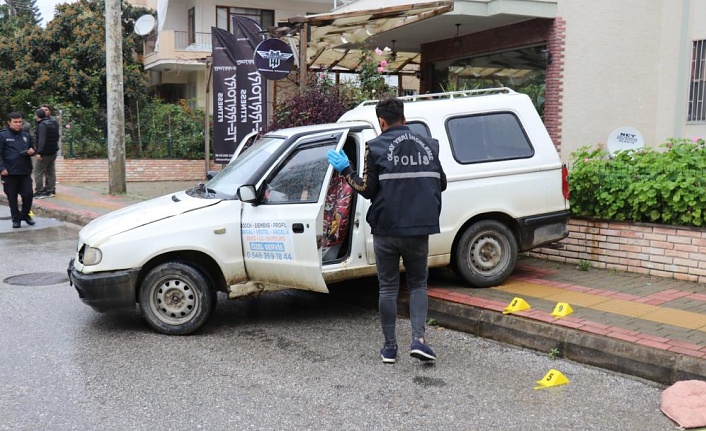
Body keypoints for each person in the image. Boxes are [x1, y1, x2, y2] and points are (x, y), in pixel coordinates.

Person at [327, 96, 447, 364]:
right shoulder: (430, 145)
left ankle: (390, 349)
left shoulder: (376, 146)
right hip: (418, 229)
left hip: (386, 231)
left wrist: (345, 169)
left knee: (388, 289)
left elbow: (366, 190)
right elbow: (443, 183)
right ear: (404, 119)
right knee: (418, 285)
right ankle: (419, 341)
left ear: (381, 122)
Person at [0, 112, 36, 228]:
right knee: (12, 197)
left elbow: (32, 148)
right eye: (15, 122)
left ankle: (25, 214)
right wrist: (2, 168)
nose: (18, 124)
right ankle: (16, 219)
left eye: (20, 122)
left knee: (28, 195)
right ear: (9, 122)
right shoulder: (3, 135)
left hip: (24, 171)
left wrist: (32, 151)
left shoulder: (26, 135)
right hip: (9, 172)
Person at [33, 107, 60, 198]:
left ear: (37, 116)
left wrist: (39, 152)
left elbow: (42, 140)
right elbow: (57, 136)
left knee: (38, 172)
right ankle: (51, 190)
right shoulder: (54, 122)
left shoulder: (42, 125)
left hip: (44, 153)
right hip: (53, 151)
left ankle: (39, 191)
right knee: (51, 171)